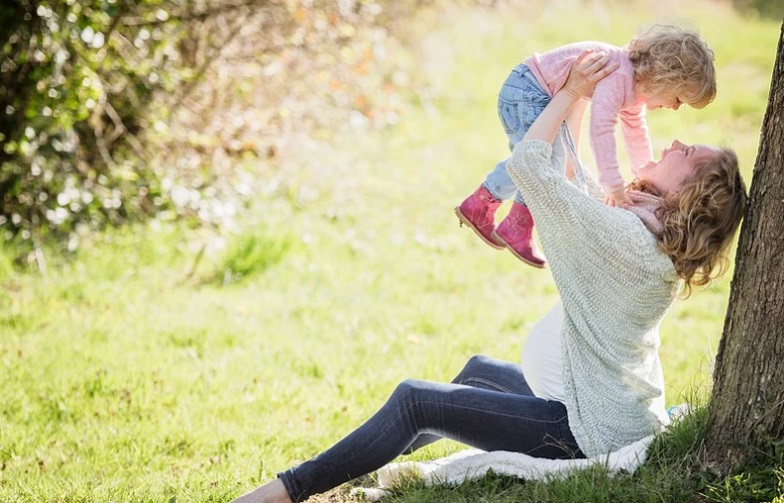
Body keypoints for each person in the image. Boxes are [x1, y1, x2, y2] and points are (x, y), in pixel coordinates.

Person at [232, 51, 746, 503]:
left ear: (690, 195)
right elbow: (576, 184)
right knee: (476, 370)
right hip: (593, 406)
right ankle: (358, 465)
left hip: (586, 432)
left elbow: (531, 165)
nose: (676, 141)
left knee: (417, 399)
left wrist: (568, 92)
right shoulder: (640, 230)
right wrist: (582, 99)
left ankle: (285, 492)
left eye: (689, 155)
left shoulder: (626, 239)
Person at [455, 25, 716, 268]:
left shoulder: (634, 89)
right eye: (678, 99)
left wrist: (643, 173)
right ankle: (515, 224)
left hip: (533, 91)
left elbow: (636, 133)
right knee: (541, 159)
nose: (673, 107)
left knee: (539, 158)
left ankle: (482, 204)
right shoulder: (619, 75)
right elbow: (601, 129)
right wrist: (612, 184)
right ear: (664, 78)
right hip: (527, 91)